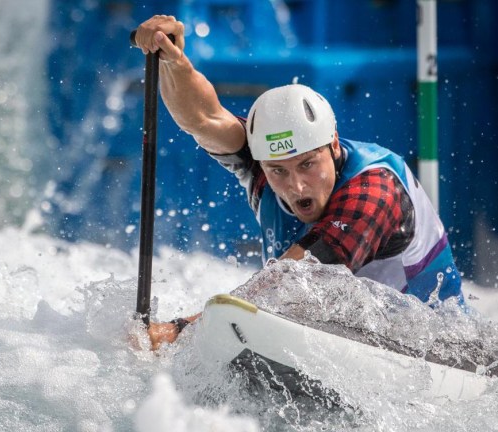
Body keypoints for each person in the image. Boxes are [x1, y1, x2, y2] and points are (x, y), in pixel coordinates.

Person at [132, 15, 465, 350]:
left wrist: (176, 332)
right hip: (341, 335)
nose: (297, 186)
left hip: (439, 351)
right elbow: (202, 118)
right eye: (278, 171)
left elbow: (292, 282)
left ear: (333, 145)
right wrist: (174, 61)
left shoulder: (374, 190)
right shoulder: (263, 161)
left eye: (307, 164)